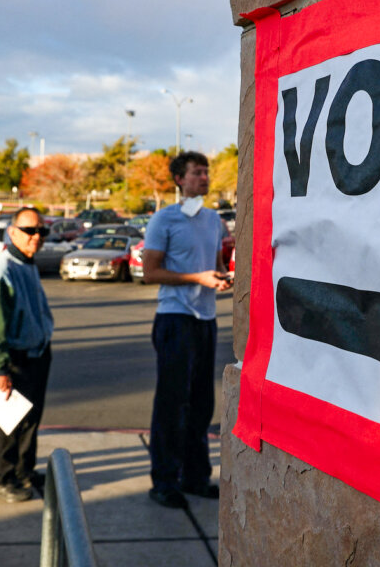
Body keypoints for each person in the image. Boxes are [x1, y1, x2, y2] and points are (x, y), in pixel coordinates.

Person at [141, 151, 231, 509]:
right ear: (179, 179)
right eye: (196, 173)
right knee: (171, 404)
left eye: (206, 172)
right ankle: (163, 481)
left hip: (205, 321)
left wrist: (221, 277)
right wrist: (197, 278)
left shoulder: (213, 220)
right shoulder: (164, 219)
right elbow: (150, 272)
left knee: (200, 405)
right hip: (174, 319)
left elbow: (218, 264)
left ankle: (195, 477)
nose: (204, 178)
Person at [0, 207, 54, 503]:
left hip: (38, 354)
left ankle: (24, 471)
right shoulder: (1, 272)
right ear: (12, 232)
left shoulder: (28, 264)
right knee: (9, 421)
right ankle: (0, 477)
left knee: (30, 420)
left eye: (41, 231)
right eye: (29, 231)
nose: (36, 237)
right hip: (15, 360)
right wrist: (1, 369)